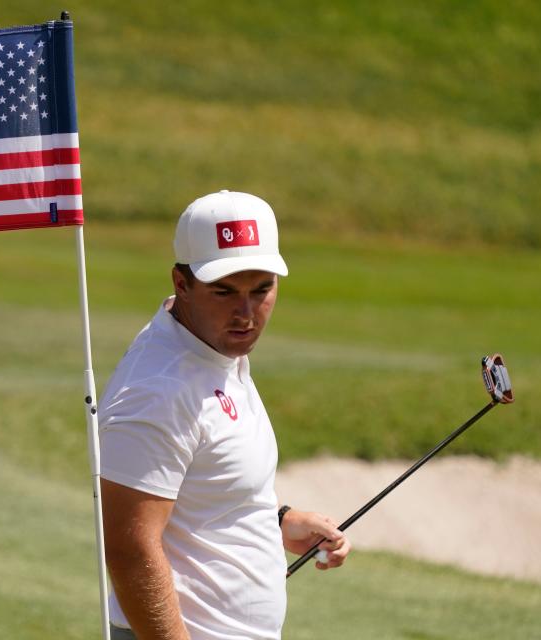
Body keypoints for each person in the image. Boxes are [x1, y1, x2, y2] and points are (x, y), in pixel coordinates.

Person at [98, 190, 352, 639]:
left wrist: (281, 520)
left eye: (262, 290)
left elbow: (206, 482)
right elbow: (128, 549)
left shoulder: (212, 349)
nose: (246, 314)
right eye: (224, 292)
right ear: (181, 283)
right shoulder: (159, 389)